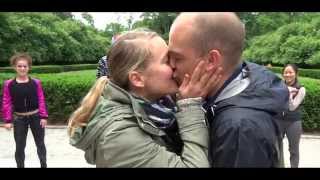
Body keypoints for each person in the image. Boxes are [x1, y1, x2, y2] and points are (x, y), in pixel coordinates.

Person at [68, 30, 222, 167]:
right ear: (137, 79)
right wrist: (190, 108)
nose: (175, 65)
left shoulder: (161, 106)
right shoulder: (119, 136)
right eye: (167, 60)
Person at [168, 12, 289, 167]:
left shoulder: (239, 129)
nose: (170, 66)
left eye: (177, 58)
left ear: (211, 60)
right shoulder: (248, 84)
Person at [1, 53, 48, 168]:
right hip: (19, 118)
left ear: (29, 67)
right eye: (19, 66)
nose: (22, 68)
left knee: (40, 144)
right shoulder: (9, 84)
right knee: (20, 146)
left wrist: (43, 116)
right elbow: (6, 102)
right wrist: (7, 120)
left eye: (25, 66)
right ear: (15, 67)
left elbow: (41, 99)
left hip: (36, 117)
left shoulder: (36, 83)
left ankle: (44, 165)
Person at [278, 64, 306, 168]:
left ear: (296, 74)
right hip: (278, 120)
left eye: (290, 72)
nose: (287, 74)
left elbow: (292, 107)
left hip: (293, 122)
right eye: (285, 72)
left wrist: (288, 93)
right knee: (277, 147)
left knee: (293, 149)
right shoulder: (278, 85)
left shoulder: (301, 89)